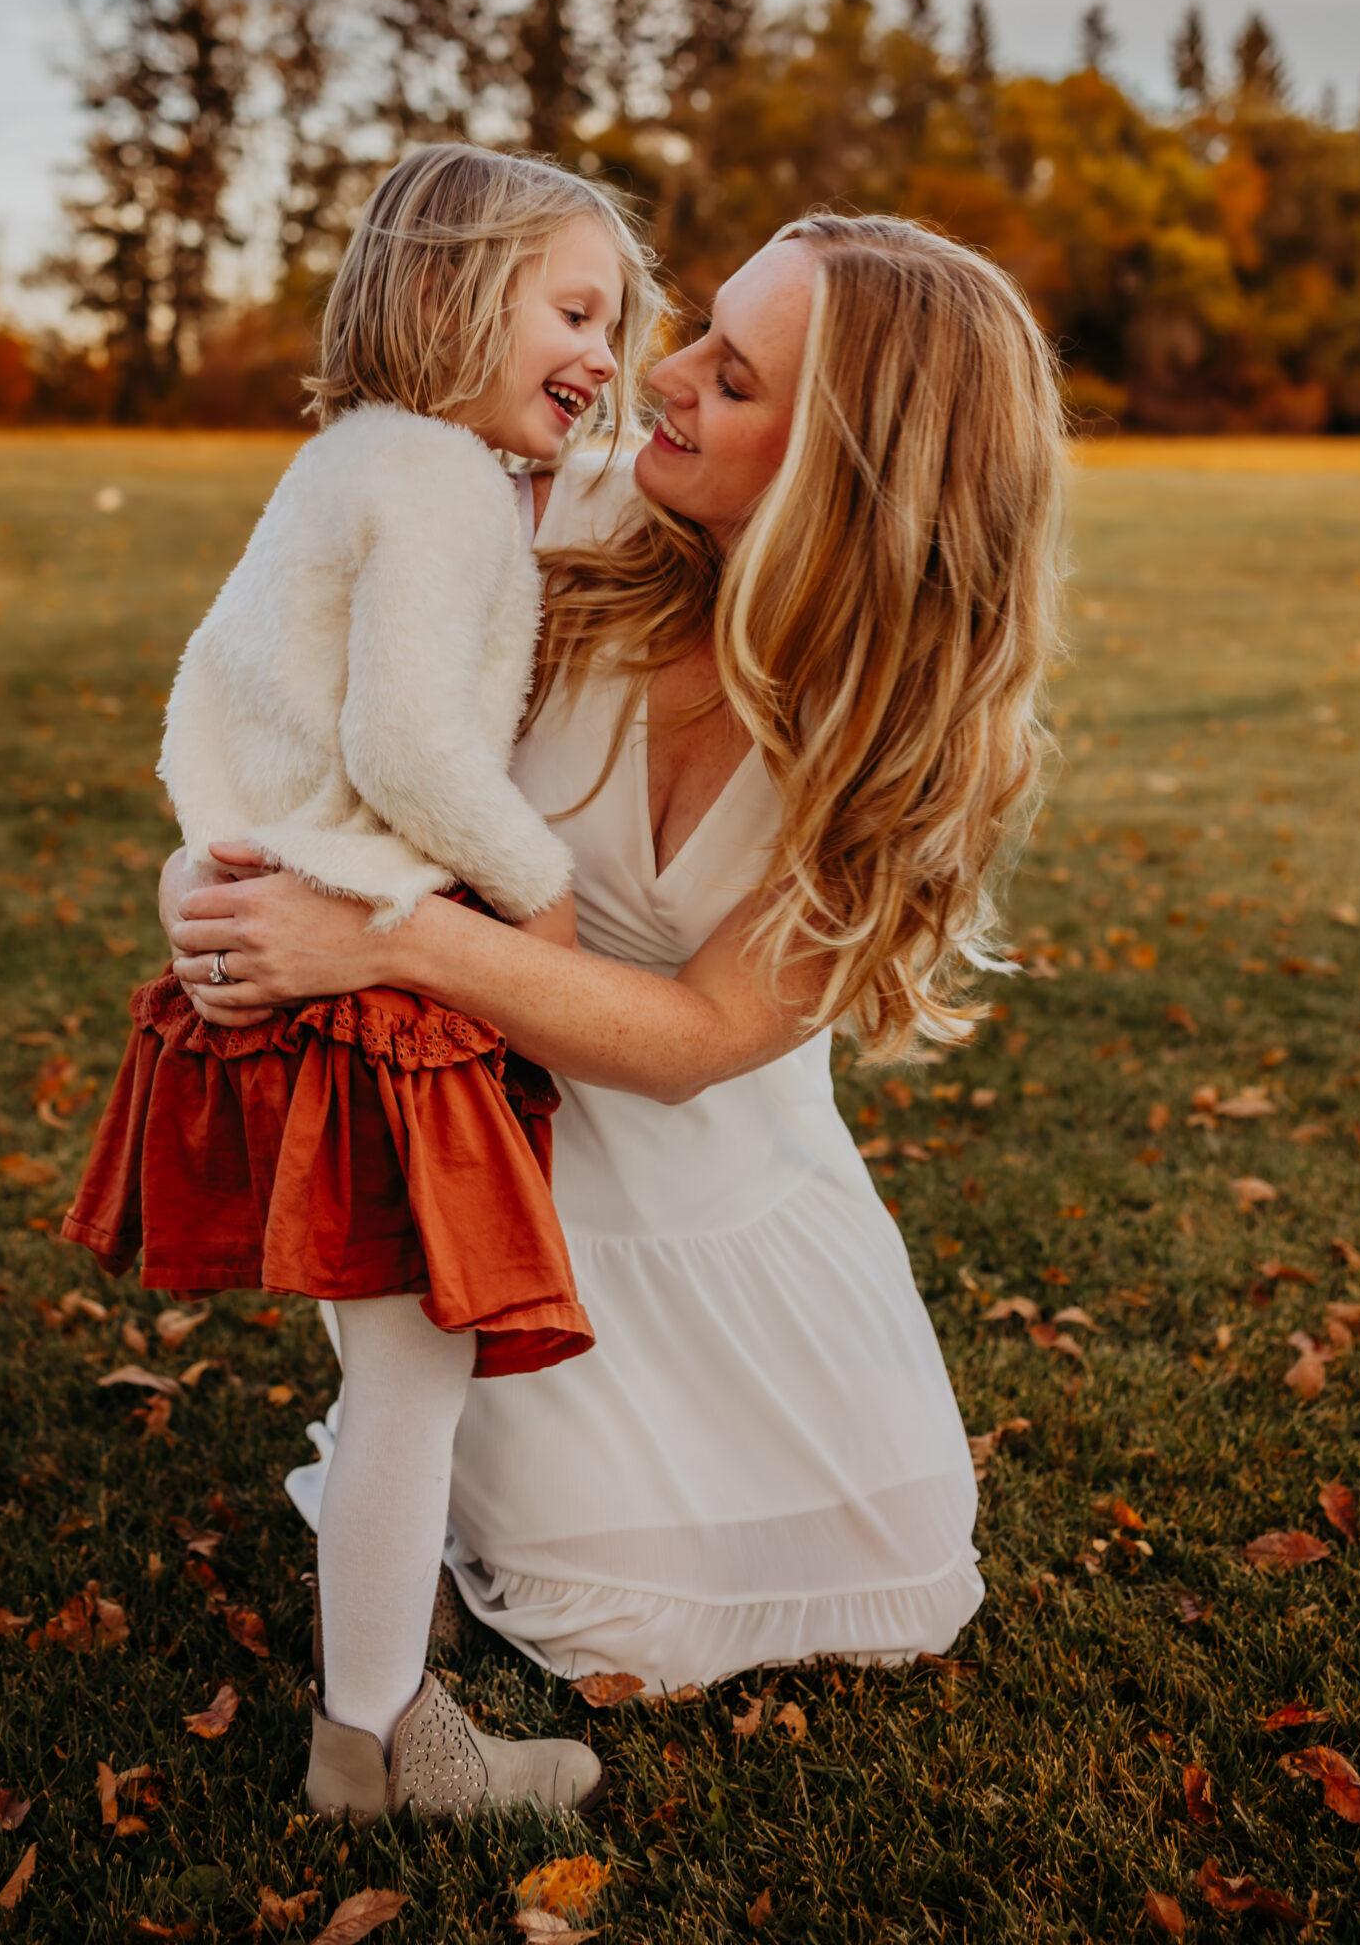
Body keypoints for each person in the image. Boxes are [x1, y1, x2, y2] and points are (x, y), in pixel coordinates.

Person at [166, 211, 1065, 1696]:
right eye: (699, 329)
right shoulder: (549, 522)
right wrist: (233, 886)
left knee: (895, 1578)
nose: (665, 371)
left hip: (728, 1189)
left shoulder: (911, 738)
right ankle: (426, 1478)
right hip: (504, 1175)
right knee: (614, 1624)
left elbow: (697, 1037)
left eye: (736, 376)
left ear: (848, 462)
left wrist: (390, 942)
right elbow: (291, 719)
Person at [64, 144, 662, 1823]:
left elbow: (222, 683)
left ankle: (379, 1715)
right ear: (456, 298)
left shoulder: (347, 462)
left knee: (385, 1364)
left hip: (283, 948)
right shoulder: (447, 485)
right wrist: (540, 906)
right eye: (573, 310)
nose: (603, 354)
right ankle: (382, 1743)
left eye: (610, 322)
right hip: (369, 989)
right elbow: (406, 740)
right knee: (412, 1374)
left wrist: (213, 850)